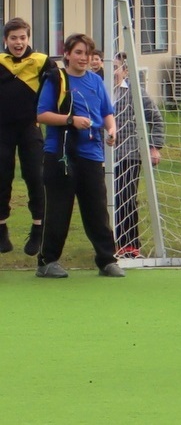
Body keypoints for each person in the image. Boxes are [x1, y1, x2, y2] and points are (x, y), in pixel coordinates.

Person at [35, 33, 124, 278]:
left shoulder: (95, 82)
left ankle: (107, 260)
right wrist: (71, 120)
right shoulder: (56, 79)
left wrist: (112, 129)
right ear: (67, 55)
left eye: (87, 53)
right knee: (58, 210)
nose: (84, 58)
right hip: (60, 155)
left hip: (92, 155)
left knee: (97, 210)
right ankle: (47, 261)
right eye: (79, 53)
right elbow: (42, 115)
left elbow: (107, 112)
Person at [0, 17, 57, 256]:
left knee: (35, 176)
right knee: (2, 178)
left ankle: (38, 229)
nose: (18, 42)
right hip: (2, 129)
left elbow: (58, 88)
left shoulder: (42, 62)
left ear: (28, 38)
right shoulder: (1, 61)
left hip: (29, 127)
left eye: (22, 37)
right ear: (5, 40)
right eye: (13, 38)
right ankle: (1, 229)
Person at [112, 52, 165, 258]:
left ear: (125, 70)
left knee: (126, 198)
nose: (113, 72)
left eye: (116, 67)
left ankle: (130, 245)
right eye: (110, 67)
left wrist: (154, 146)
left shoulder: (136, 92)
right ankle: (109, 244)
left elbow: (156, 119)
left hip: (129, 154)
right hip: (101, 156)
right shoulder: (99, 90)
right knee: (106, 201)